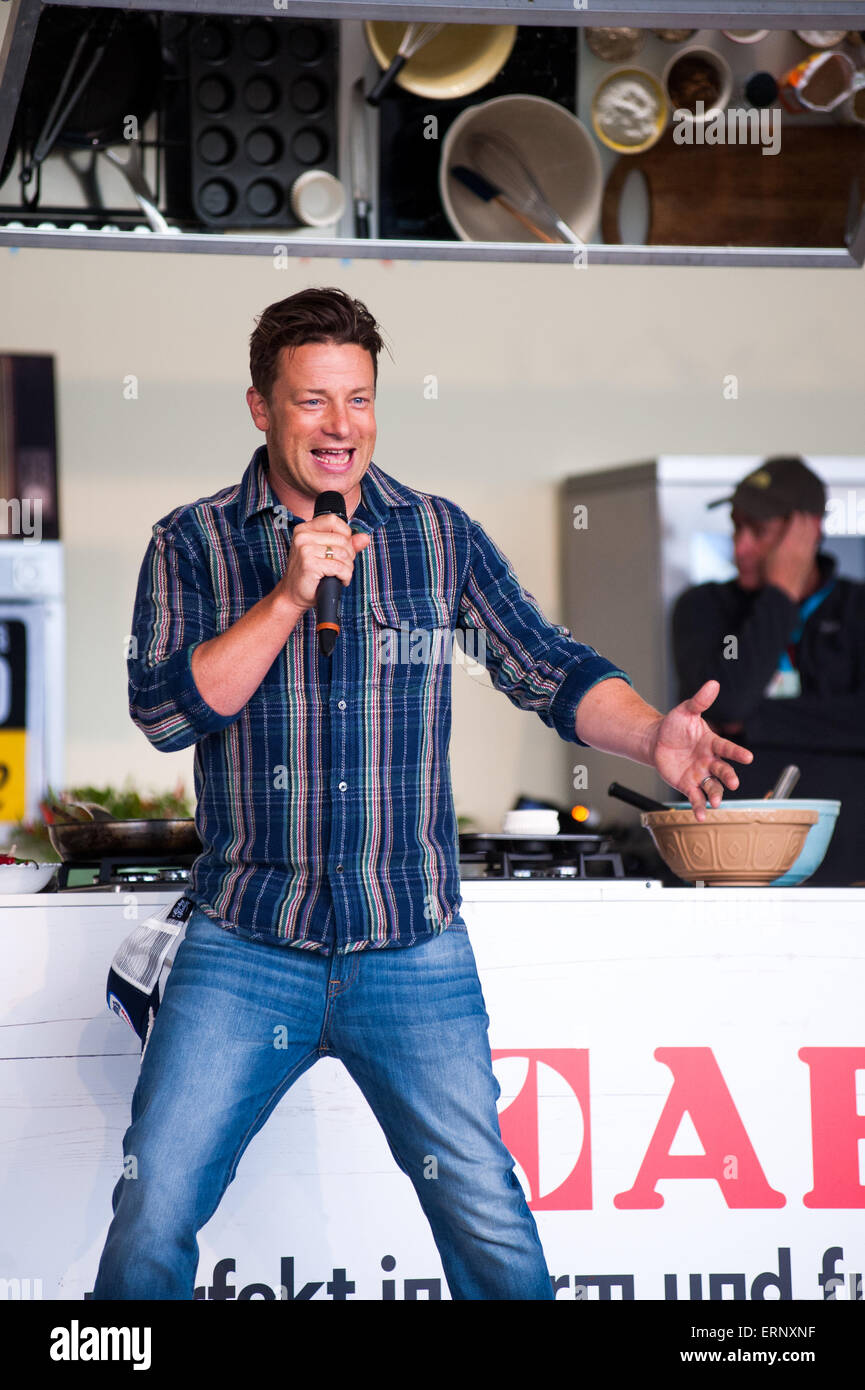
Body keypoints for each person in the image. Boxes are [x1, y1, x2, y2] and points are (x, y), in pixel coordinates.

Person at [92, 287, 752, 1301]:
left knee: (489, 1225)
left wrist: (650, 729)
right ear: (261, 408)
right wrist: (285, 597)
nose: (340, 427)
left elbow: (550, 669)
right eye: (312, 401)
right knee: (152, 1212)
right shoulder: (195, 542)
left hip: (411, 945)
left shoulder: (433, 535)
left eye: (357, 399)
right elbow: (169, 712)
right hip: (246, 942)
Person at [672, 456, 865, 886]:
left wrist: (751, 723)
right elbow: (728, 703)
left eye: (758, 532)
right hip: (732, 866)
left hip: (853, 871)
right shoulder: (703, 608)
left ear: (807, 531)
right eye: (736, 527)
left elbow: (737, 715)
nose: (741, 547)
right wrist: (779, 594)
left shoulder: (857, 609)